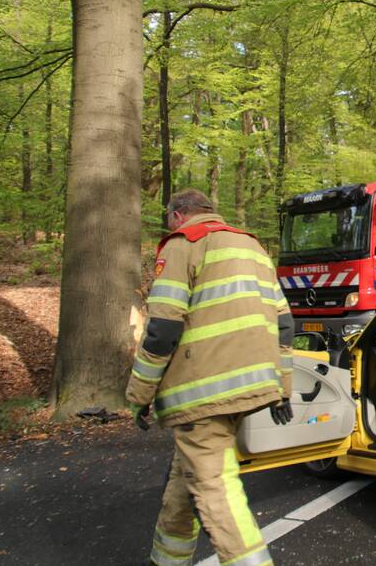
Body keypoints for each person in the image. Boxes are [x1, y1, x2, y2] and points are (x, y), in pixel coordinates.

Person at [126, 188, 294, 566]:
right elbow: (284, 325)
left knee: (214, 488)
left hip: (201, 395)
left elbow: (162, 331)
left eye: (169, 218)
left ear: (177, 216)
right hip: (250, 388)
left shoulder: (183, 245)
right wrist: (282, 389)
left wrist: (139, 394)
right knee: (184, 482)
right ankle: (166, 560)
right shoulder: (252, 247)